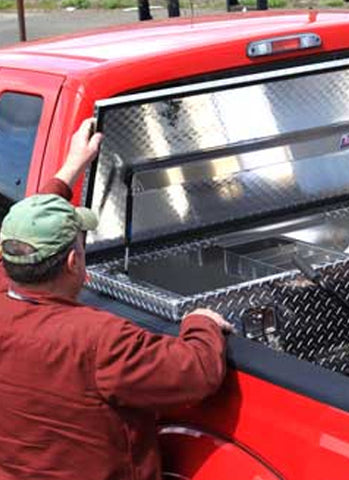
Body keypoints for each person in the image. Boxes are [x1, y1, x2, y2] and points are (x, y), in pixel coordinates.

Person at [0, 118, 233, 480]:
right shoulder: (100, 340)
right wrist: (201, 322)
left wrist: (72, 166)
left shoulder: (7, 285)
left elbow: (28, 233)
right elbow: (195, 372)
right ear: (74, 262)